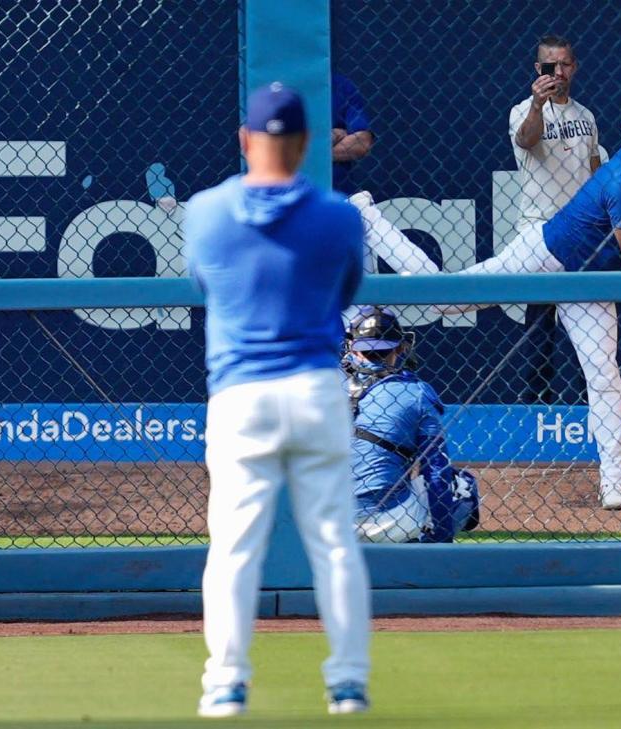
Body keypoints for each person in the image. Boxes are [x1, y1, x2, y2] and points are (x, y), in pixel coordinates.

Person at [185, 83, 371, 718]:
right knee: (335, 543)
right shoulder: (339, 215)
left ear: (246, 141)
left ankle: (225, 684)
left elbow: (209, 285)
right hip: (317, 390)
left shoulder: (206, 212)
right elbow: (345, 293)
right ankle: (347, 684)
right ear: (307, 145)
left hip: (242, 396)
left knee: (234, 546)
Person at [441, 94, 621, 511]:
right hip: (544, 254)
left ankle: (613, 482)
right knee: (446, 301)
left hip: (589, 285)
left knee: (604, 375)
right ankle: (374, 225)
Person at [509, 35, 602, 405]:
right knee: (539, 332)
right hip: (539, 232)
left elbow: (595, 174)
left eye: (565, 64)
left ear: (574, 67)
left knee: (589, 334)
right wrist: (537, 103)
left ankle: (587, 416)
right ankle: (536, 415)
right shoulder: (523, 111)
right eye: (551, 66)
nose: (559, 72)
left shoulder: (586, 116)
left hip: (582, 234)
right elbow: (528, 140)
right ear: (538, 70)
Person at [342, 306, 481, 543]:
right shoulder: (414, 391)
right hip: (393, 521)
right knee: (462, 484)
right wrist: (442, 536)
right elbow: (436, 470)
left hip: (328, 522)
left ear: (353, 349)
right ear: (399, 347)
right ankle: (426, 549)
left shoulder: (325, 386)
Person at [332, 72, 438, 279]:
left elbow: (361, 142)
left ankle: (439, 290)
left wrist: (303, 150)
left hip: (343, 196)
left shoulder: (339, 85)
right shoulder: (274, 89)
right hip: (297, 199)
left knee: (367, 219)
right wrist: (334, 135)